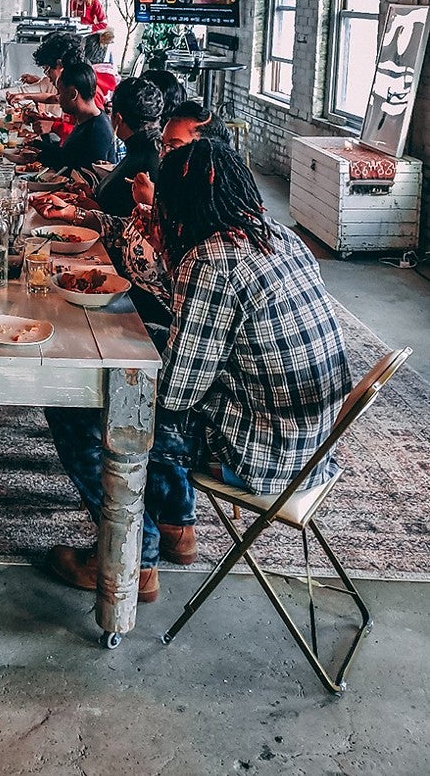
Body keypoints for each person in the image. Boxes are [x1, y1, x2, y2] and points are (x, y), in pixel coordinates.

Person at [48, 139, 352, 603]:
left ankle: (132, 558)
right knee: (134, 342)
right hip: (309, 442)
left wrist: (106, 364)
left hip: (258, 455)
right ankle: (176, 528)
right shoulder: (275, 234)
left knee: (76, 401)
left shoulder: (212, 258)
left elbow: (173, 393)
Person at [90, 76, 164, 217]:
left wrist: (93, 211)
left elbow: (129, 218)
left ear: (118, 118)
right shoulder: (148, 147)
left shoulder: (145, 156)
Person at [33, 55, 117, 175]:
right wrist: (36, 147)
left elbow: (81, 176)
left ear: (73, 94)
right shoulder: (85, 118)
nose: (59, 99)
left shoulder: (97, 131)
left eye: (61, 93)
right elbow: (68, 156)